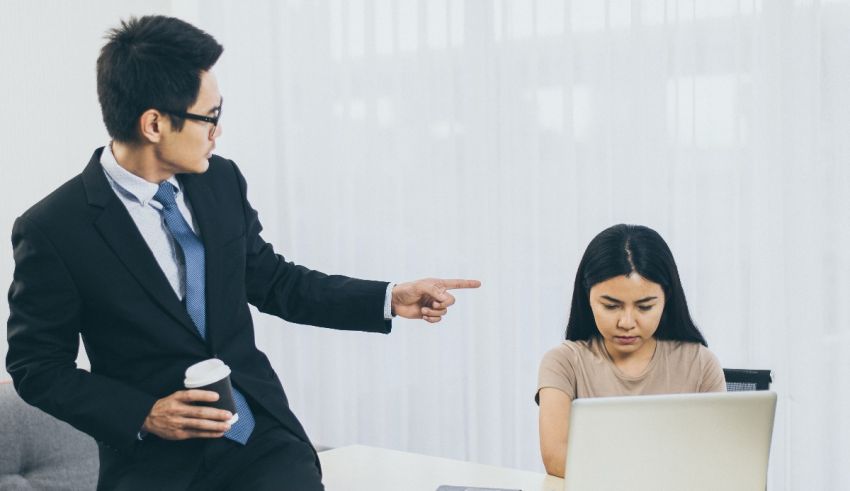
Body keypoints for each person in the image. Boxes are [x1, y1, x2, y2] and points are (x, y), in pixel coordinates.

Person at [5, 15, 479, 491]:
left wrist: (387, 297)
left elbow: (273, 281)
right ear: (153, 123)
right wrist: (144, 414)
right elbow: (37, 366)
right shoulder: (53, 229)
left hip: (260, 440)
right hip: (154, 465)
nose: (218, 131)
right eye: (208, 117)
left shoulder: (220, 180)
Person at [535, 224, 725, 477]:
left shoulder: (699, 362)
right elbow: (556, 458)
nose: (626, 322)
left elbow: (720, 459)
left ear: (666, 299)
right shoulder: (563, 362)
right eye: (611, 306)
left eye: (644, 307)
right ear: (587, 296)